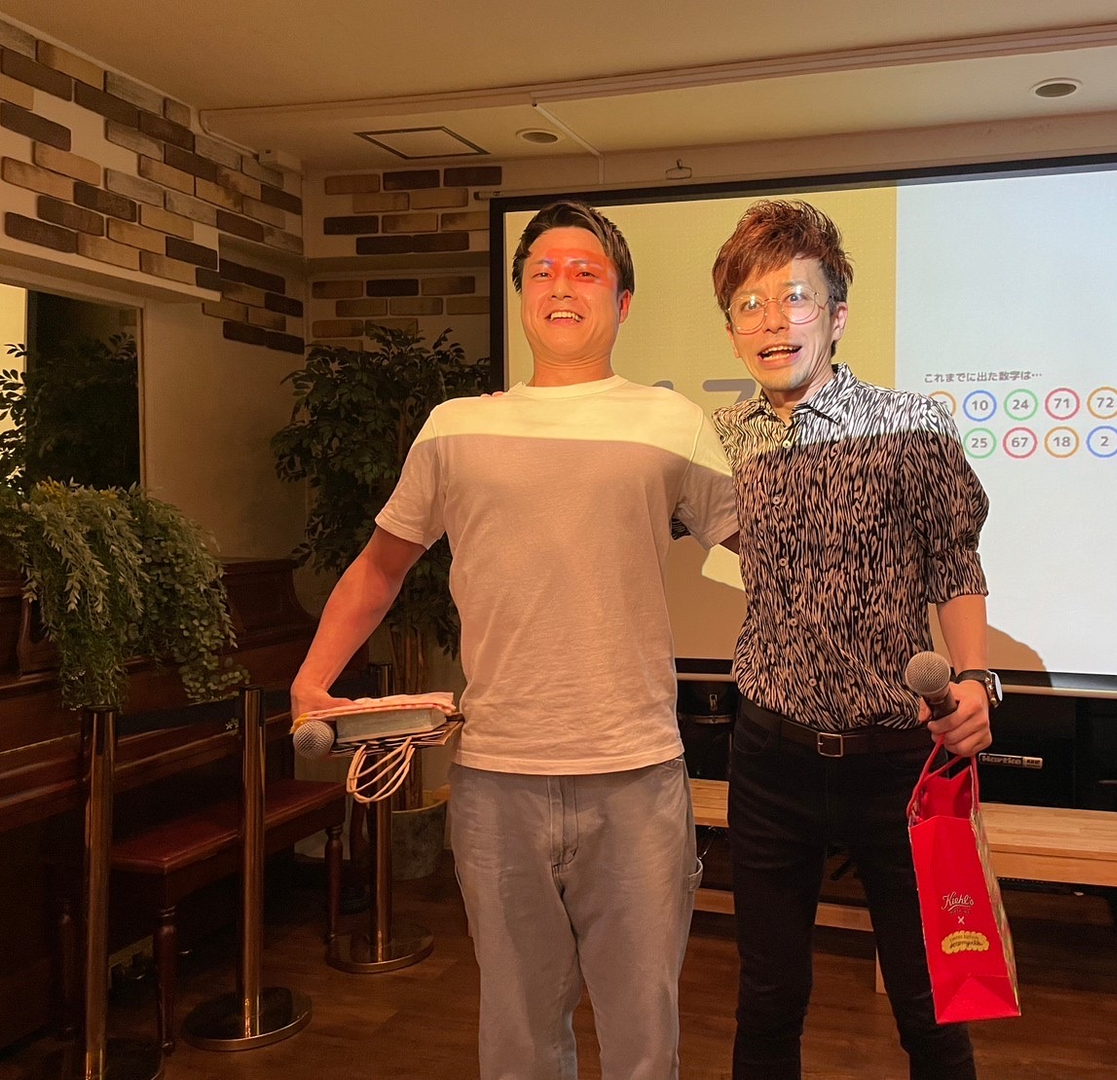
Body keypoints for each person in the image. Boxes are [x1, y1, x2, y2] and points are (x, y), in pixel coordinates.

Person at [290, 199, 738, 1079]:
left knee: (645, 1042)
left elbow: (768, 554)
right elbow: (379, 568)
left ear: (623, 302)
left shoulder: (672, 420)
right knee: (518, 1041)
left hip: (637, 774)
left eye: (586, 271)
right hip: (497, 780)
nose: (562, 285)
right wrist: (312, 681)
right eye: (543, 271)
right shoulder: (454, 426)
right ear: (522, 296)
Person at [709, 199, 996, 1079]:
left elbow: (954, 559)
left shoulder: (912, 425)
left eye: (794, 298)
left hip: (898, 763)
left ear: (836, 315)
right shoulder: (718, 444)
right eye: (750, 305)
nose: (773, 321)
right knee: (767, 1000)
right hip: (770, 760)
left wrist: (977, 679)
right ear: (732, 330)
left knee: (930, 1006)